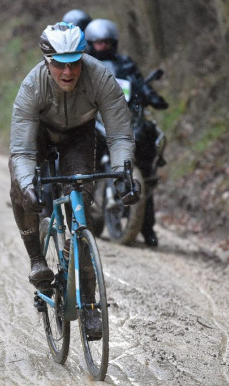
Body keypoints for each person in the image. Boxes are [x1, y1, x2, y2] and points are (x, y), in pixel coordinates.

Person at [9, 23, 139, 338]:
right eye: (59, 64)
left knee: (80, 215)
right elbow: (22, 152)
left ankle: (90, 305)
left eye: (74, 62)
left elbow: (120, 134)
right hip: (39, 133)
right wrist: (27, 184)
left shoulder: (101, 78)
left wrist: (124, 172)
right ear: (47, 61)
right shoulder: (33, 86)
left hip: (78, 136)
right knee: (19, 188)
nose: (68, 72)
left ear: (83, 57)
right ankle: (37, 259)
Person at [85, 18, 168, 247]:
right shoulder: (85, 64)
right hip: (93, 120)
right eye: (98, 43)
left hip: (122, 120)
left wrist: (153, 98)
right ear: (90, 43)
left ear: (114, 42)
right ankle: (79, 216)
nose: (103, 46)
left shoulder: (125, 63)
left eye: (107, 42)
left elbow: (139, 84)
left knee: (144, 163)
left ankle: (147, 227)